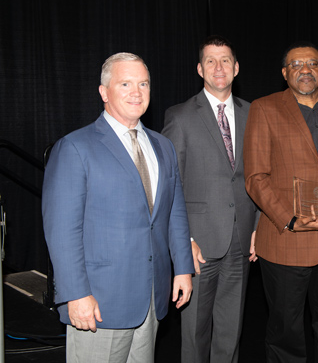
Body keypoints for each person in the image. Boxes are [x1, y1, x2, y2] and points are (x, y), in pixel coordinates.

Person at [42, 52, 194, 362]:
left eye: (143, 84)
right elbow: (62, 230)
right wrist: (75, 294)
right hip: (99, 302)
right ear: (104, 92)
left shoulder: (162, 146)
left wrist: (183, 269)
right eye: (125, 83)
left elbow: (173, 212)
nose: (136, 92)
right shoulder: (74, 147)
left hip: (151, 296)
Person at [243, 41, 318, 363]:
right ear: (284, 73)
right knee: (285, 332)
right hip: (286, 238)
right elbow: (255, 176)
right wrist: (291, 219)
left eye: (312, 63)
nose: (305, 70)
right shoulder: (264, 108)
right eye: (296, 65)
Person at [162, 35, 259, 363]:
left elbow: (261, 176)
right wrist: (183, 239)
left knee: (231, 333)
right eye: (212, 61)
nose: (220, 67)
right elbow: (168, 184)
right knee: (195, 333)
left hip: (241, 240)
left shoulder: (253, 114)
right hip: (198, 245)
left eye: (226, 61)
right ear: (200, 69)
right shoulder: (180, 116)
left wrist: (258, 227)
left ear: (236, 68)